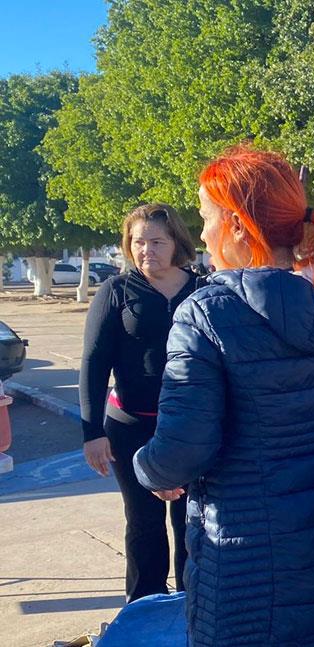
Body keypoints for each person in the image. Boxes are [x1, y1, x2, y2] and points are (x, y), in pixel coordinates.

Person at [132, 145, 314, 646]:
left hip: (251, 574)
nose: (201, 232)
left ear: (234, 224)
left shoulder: (206, 314)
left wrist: (148, 467)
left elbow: (180, 452)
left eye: (205, 218)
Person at [79, 204, 199, 602]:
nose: (147, 250)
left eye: (157, 241)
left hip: (189, 428)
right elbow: (94, 364)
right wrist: (92, 433)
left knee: (191, 521)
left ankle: (193, 605)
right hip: (131, 427)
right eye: (139, 242)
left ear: (176, 242)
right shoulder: (116, 291)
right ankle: (144, 607)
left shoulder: (201, 288)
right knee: (144, 522)